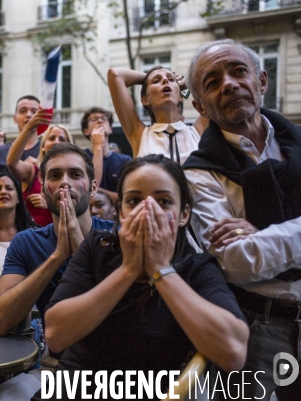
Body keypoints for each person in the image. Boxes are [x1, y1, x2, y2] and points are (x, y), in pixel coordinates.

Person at [39, 155, 249, 400]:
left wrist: (160, 268)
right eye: (134, 200)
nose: (147, 210)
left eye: (163, 201)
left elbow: (233, 353)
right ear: (121, 212)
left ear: (183, 214)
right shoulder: (97, 248)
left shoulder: (196, 267)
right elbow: (55, 335)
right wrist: (128, 270)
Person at [183, 39, 301, 400]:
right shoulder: (199, 174)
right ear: (200, 105)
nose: (229, 84)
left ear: (262, 80)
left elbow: (253, 248)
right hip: (259, 329)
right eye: (212, 81)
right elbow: (235, 261)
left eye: (238, 71)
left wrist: (262, 231)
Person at [0, 143, 114, 336]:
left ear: (93, 188)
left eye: (75, 174)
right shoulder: (27, 241)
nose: (65, 182)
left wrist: (79, 246)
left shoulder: (116, 236)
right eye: (55, 176)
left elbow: (119, 318)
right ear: (42, 191)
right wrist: (57, 257)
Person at [108, 67, 207, 165]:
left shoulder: (198, 130)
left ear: (180, 96)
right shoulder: (140, 135)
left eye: (171, 79)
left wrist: (187, 83)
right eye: (156, 81)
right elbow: (115, 75)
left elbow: (209, 72)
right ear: (145, 100)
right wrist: (148, 77)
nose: (165, 80)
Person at [7, 122, 74, 227]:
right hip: (32, 237)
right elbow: (11, 163)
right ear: (43, 145)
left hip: (62, 236)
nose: (56, 142)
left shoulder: (75, 176)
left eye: (62, 139)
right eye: (51, 138)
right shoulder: (32, 171)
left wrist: (52, 205)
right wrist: (29, 127)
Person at [79, 107, 131, 203]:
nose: (99, 120)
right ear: (86, 131)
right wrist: (98, 146)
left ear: (110, 129)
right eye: (94, 119)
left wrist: (95, 188)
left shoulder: (125, 161)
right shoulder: (79, 158)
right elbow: (85, 195)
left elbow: (126, 199)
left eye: (104, 119)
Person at [0, 95, 41, 174]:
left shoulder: (47, 151)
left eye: (34, 111)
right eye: (23, 111)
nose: (29, 115)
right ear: (14, 118)